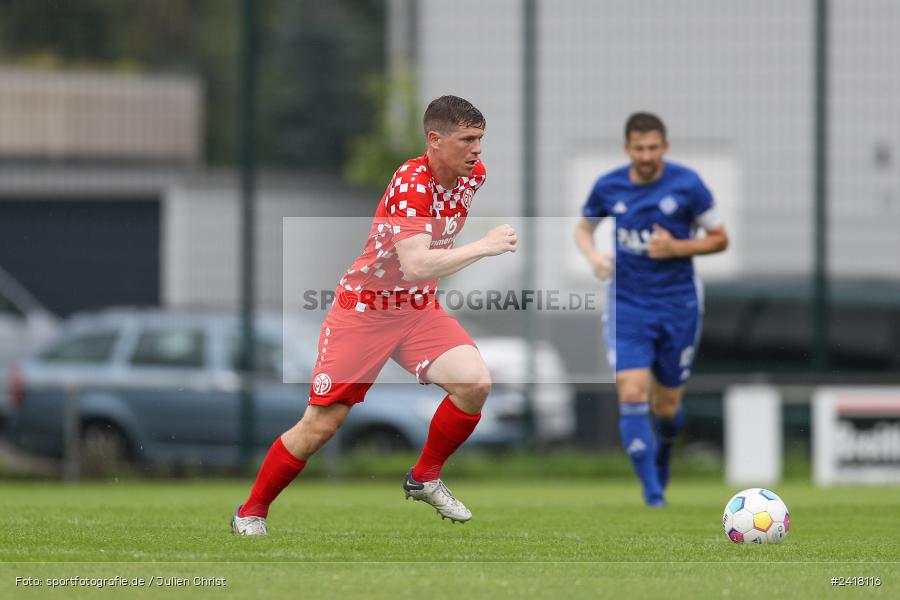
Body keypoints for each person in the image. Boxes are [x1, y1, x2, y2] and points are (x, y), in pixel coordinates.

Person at [232, 95, 518, 535]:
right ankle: (250, 512)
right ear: (435, 140)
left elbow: (423, 270)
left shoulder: (470, 175)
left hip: (417, 309)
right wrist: (484, 245)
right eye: (467, 139)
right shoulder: (411, 183)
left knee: (474, 384)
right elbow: (417, 264)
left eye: (480, 139)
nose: (477, 149)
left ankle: (424, 477)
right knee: (321, 425)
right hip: (365, 311)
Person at [574, 112, 728, 507]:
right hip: (627, 304)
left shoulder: (687, 184)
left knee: (667, 405)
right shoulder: (608, 186)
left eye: (653, 147)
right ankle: (652, 492)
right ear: (628, 149)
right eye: (639, 148)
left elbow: (719, 238)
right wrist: (593, 258)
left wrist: (677, 247)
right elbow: (583, 228)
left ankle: (664, 451)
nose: (646, 155)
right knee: (631, 390)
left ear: (665, 147)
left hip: (679, 304)